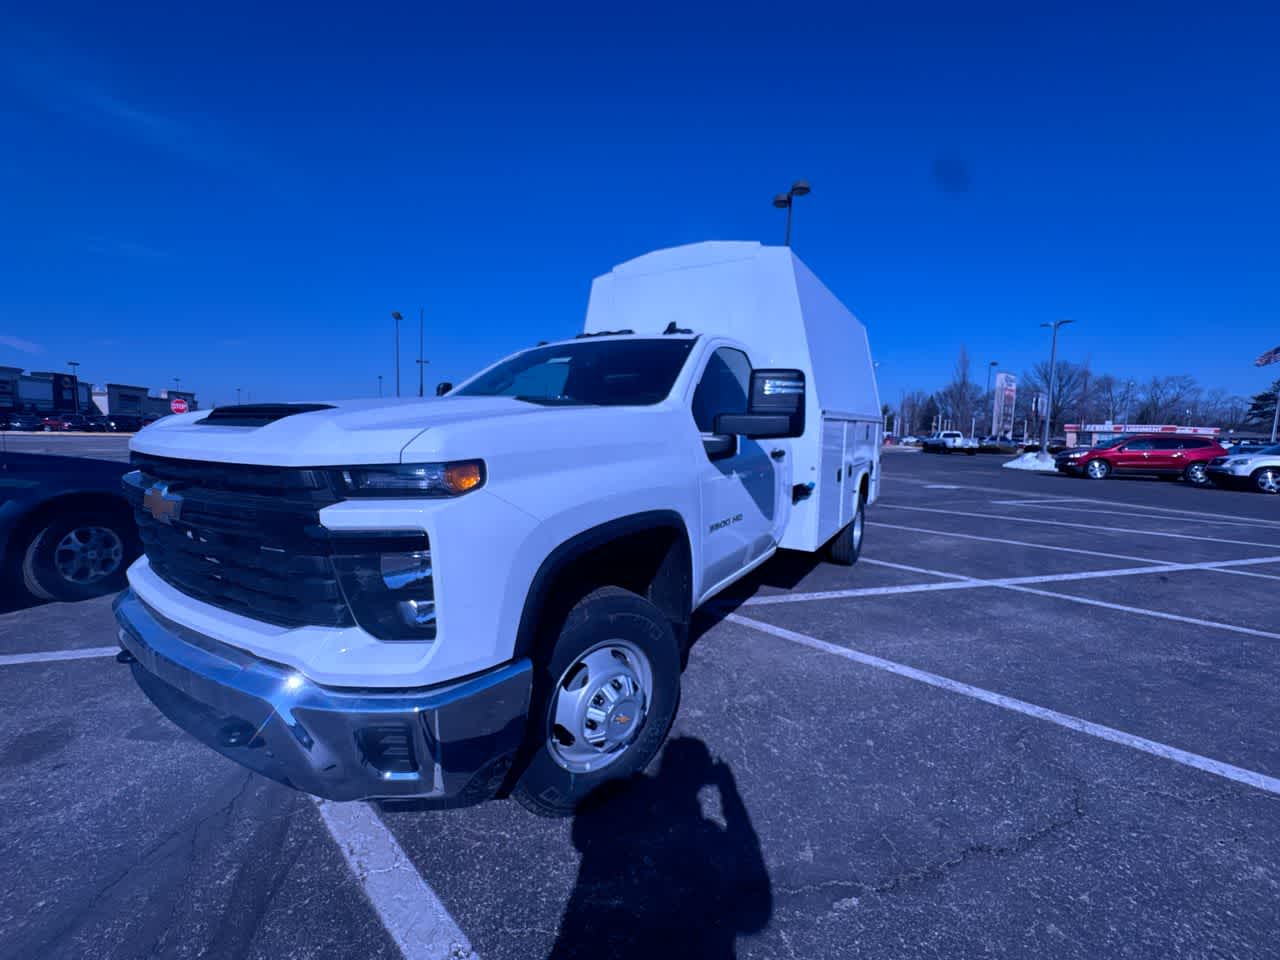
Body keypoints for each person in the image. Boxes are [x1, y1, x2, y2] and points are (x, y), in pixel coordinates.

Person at [548, 737, 772, 959]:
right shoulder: (707, 838)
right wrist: (728, 790)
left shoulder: (633, 815)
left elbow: (583, 834)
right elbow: (755, 903)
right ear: (703, 779)